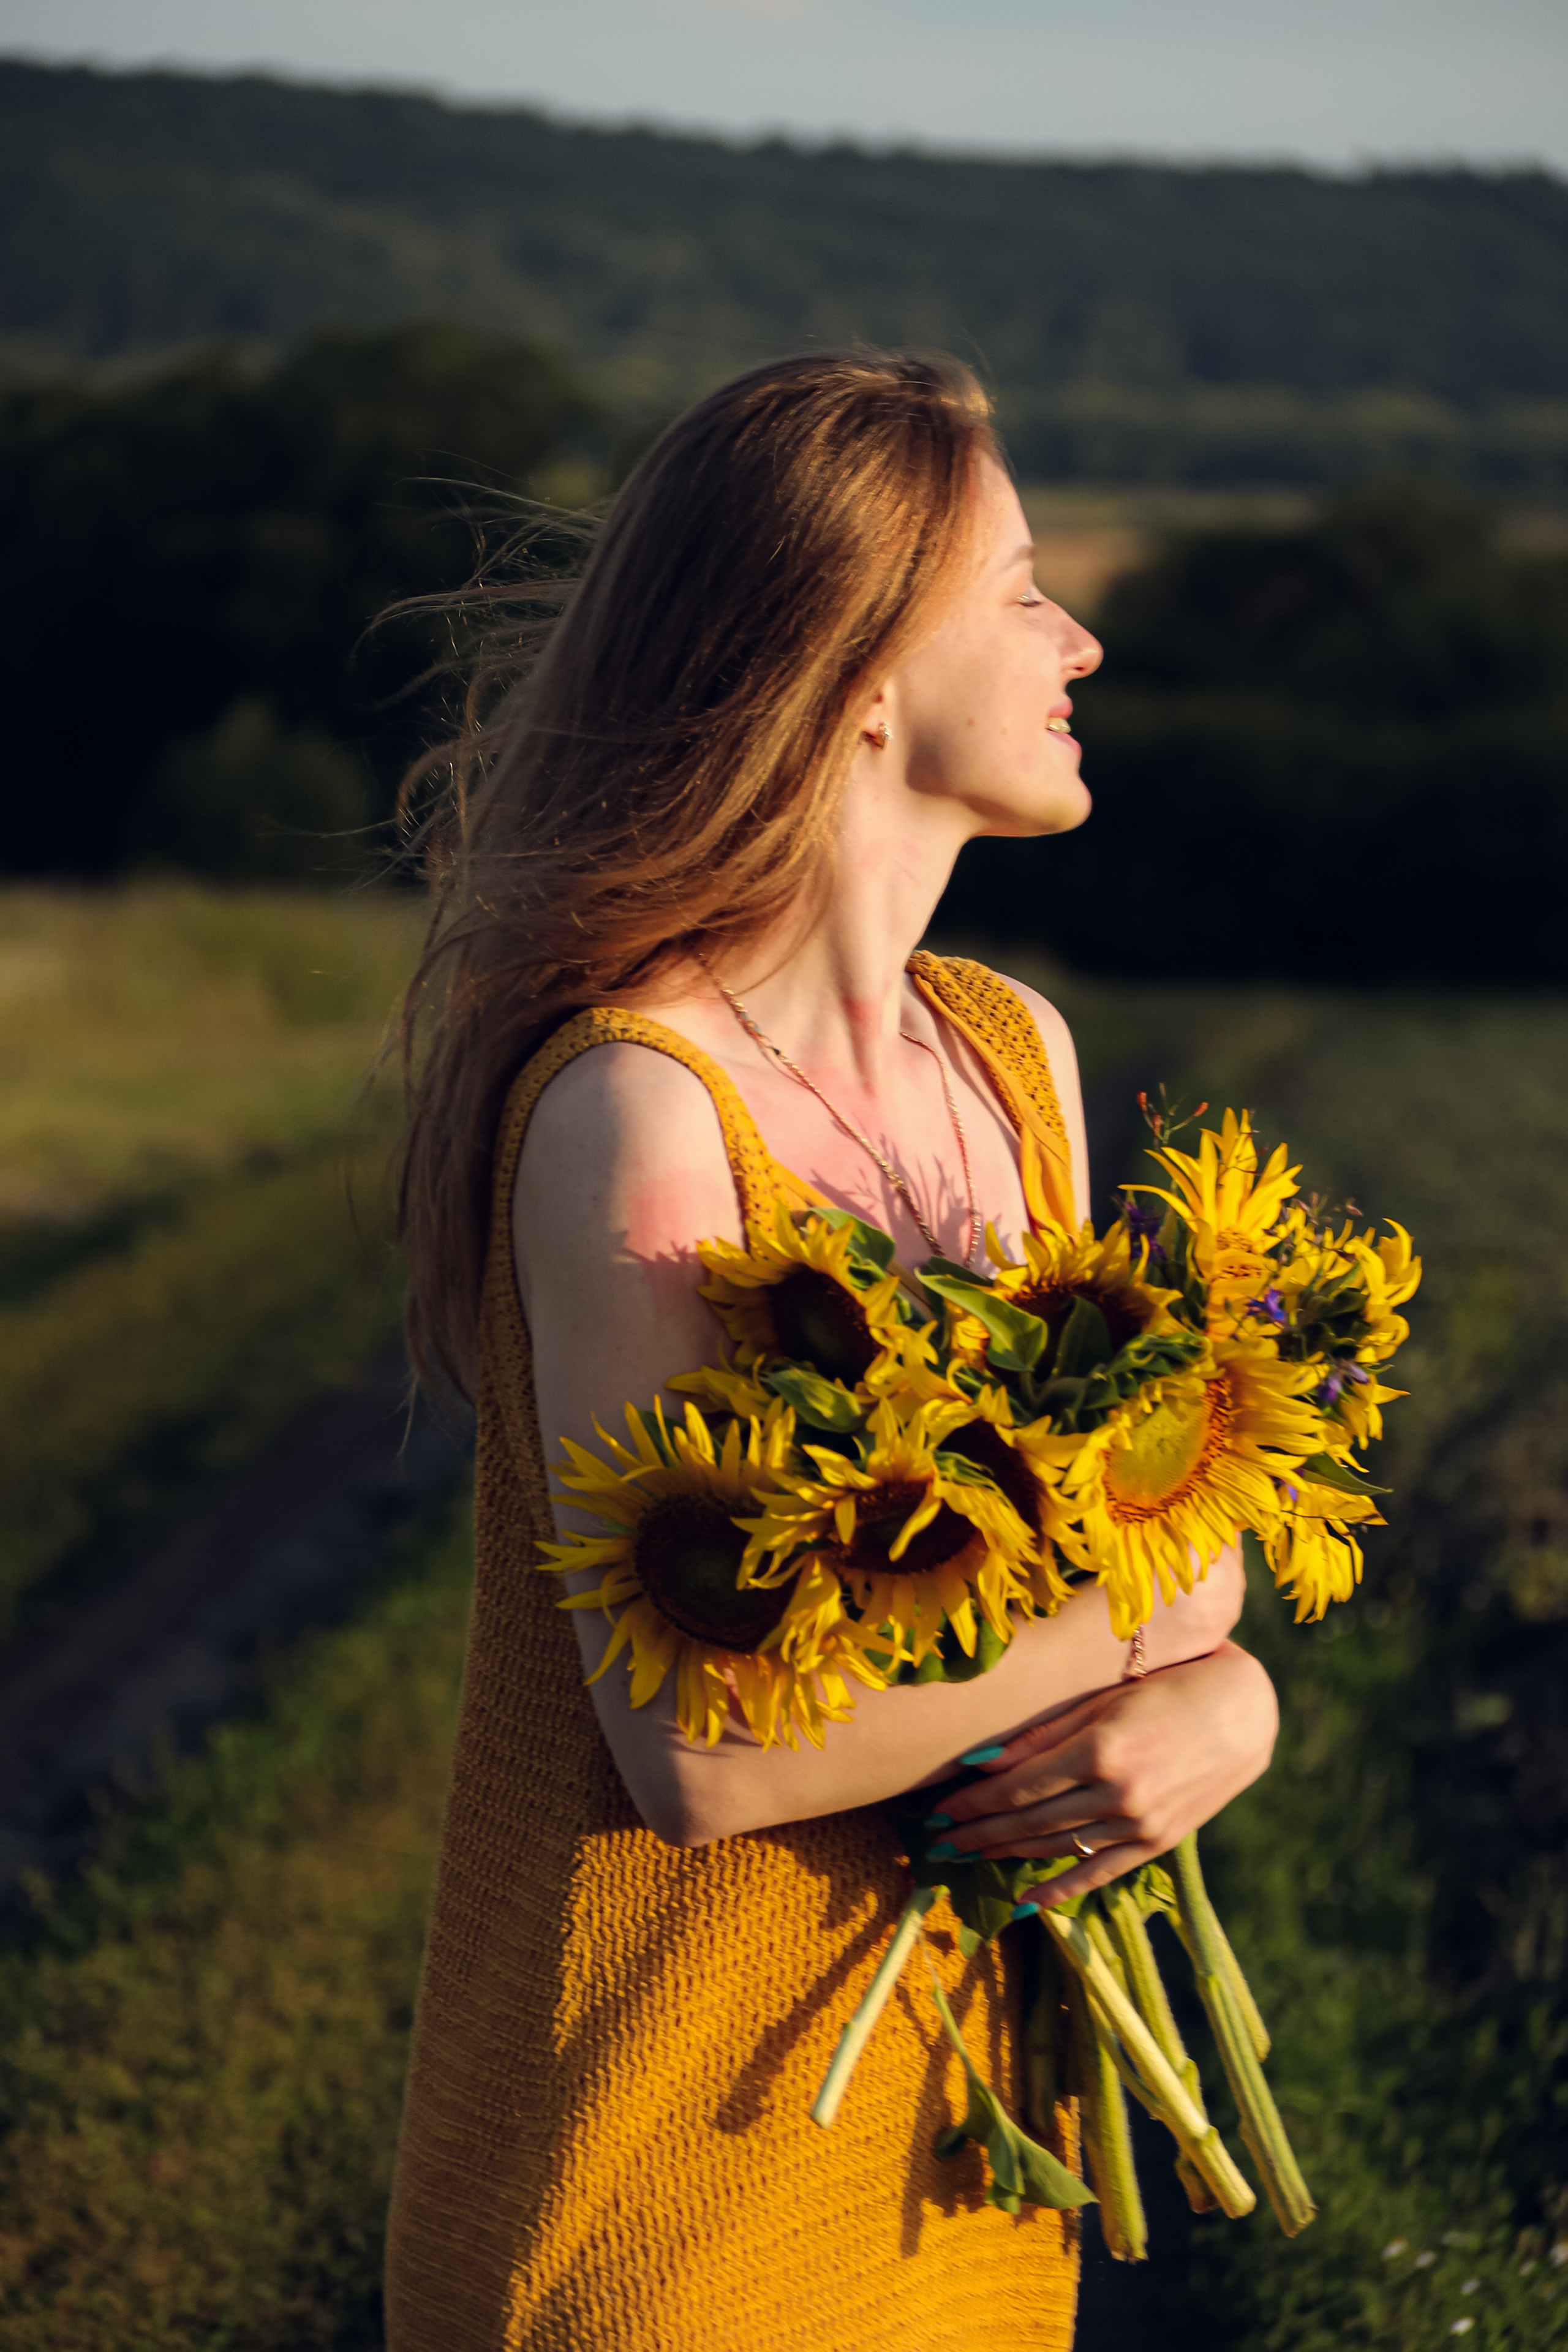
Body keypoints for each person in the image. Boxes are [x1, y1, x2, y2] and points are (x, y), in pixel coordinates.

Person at [385, 350, 1278, 2351]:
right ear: (857, 669)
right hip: (665, 2187)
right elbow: (704, 1749)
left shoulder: (1014, 1061)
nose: (1084, 636)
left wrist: (1230, 1713)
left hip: (962, 2150)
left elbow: (1061, 1578)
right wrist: (1188, 1626)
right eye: (1026, 588)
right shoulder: (642, 1109)